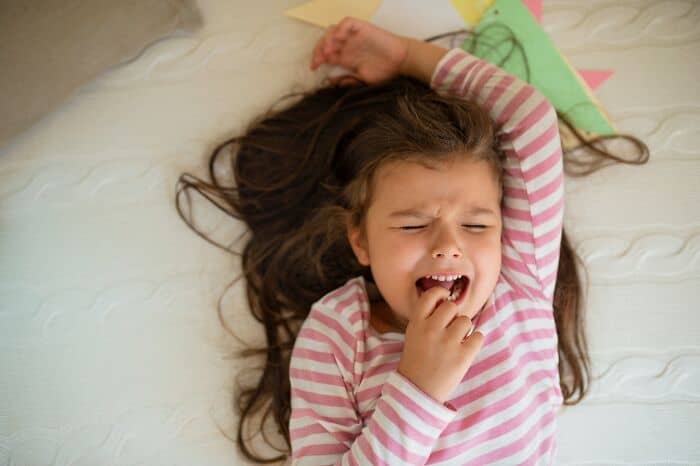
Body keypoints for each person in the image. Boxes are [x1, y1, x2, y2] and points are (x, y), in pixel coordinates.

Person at [175, 15, 648, 466]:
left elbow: (529, 119)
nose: (448, 245)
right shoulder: (336, 334)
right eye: (412, 225)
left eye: (476, 225)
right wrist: (419, 387)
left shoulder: (520, 283)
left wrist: (404, 55)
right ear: (361, 241)